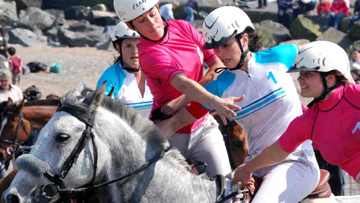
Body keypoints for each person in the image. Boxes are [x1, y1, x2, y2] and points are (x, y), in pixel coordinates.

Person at [158, 6, 320, 202]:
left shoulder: (280, 56)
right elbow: (174, 123)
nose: (220, 53)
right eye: (215, 48)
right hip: (254, 167)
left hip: (297, 161)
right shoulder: (218, 89)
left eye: (225, 45)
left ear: (244, 39)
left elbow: (326, 61)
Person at [113, 0, 244, 177]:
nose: (151, 23)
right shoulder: (148, 52)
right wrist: (213, 100)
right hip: (169, 132)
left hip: (202, 125)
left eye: (152, 14)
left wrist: (183, 99)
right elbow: (182, 83)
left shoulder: (183, 27)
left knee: (227, 186)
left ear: (158, 9)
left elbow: (218, 65)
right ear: (131, 25)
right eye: (142, 20)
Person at [232, 41, 360, 195]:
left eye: (308, 74)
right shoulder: (307, 122)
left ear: (330, 78)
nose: (300, 79)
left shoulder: (355, 96)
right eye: (300, 74)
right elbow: (276, 152)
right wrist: (247, 168)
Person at [96, 22, 153, 118]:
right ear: (118, 48)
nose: (135, 51)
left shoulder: (156, 72)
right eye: (128, 46)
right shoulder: (109, 78)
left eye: (139, 45)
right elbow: (99, 115)